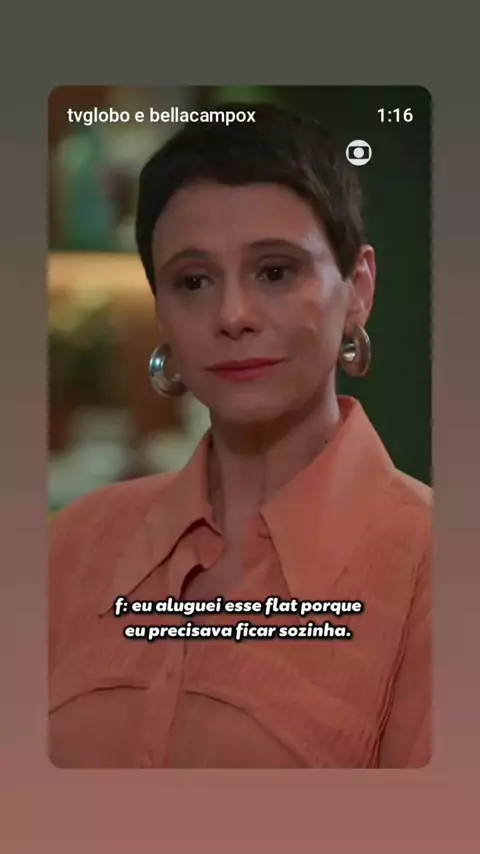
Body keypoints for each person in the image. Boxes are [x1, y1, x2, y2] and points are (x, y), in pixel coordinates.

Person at [48, 102, 432, 769]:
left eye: (276, 271)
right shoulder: (74, 544)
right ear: (161, 310)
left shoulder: (434, 565)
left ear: (358, 289)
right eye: (193, 281)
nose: (232, 314)